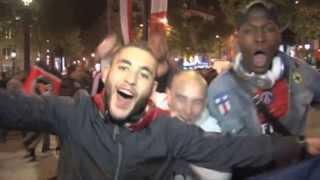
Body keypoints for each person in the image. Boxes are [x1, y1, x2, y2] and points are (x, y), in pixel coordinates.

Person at [1, 42, 320, 180]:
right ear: (108, 75)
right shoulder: (71, 113)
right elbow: (13, 108)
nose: (131, 78)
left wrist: (299, 145)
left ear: (151, 87)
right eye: (124, 67)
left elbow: (230, 149)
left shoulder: (169, 131)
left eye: (143, 74)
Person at [207, 0, 320, 137]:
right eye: (249, 30)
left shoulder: (303, 73)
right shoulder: (218, 90)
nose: (259, 38)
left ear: (279, 36)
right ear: (238, 39)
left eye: (269, 29)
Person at [166, 70, 230, 180]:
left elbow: (221, 176)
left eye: (197, 102)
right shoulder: (155, 123)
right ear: (169, 96)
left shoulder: (212, 134)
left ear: (205, 103)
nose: (188, 110)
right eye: (181, 99)